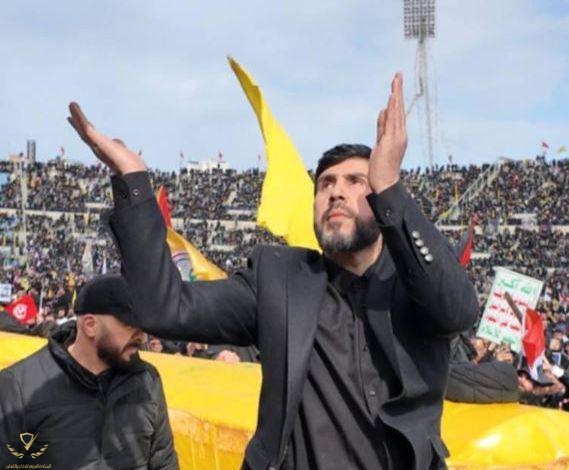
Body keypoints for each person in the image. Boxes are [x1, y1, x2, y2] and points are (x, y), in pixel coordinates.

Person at [68, 73, 478, 469]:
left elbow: (457, 311)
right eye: (325, 184)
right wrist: (134, 183)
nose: (336, 191)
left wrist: (388, 186)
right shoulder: (279, 279)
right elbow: (164, 308)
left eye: (356, 181)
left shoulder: (415, 281)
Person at [0, 274, 178, 469]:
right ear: (90, 325)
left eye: (143, 327)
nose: (142, 337)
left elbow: (164, 463)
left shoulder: (147, 380)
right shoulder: (18, 386)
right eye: (130, 326)